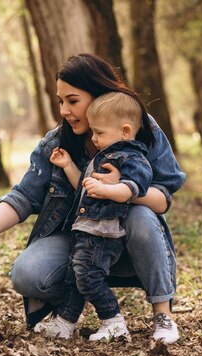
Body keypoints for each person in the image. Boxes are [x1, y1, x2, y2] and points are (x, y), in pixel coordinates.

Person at [0, 53, 186, 344]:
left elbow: (163, 199)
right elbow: (23, 197)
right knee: (27, 274)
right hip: (83, 241)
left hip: (131, 246)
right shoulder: (57, 143)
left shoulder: (138, 128)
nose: (64, 110)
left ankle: (163, 315)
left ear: (99, 95)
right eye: (60, 101)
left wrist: (120, 189)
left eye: (72, 101)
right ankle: (73, 308)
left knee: (140, 214)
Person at [41, 91, 152, 341]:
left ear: (125, 131)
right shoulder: (102, 157)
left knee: (89, 278)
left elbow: (133, 189)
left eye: (99, 133)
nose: (94, 138)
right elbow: (82, 185)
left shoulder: (132, 158)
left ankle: (113, 322)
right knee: (75, 277)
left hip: (104, 233)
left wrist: (107, 189)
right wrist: (68, 165)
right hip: (86, 230)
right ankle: (64, 323)